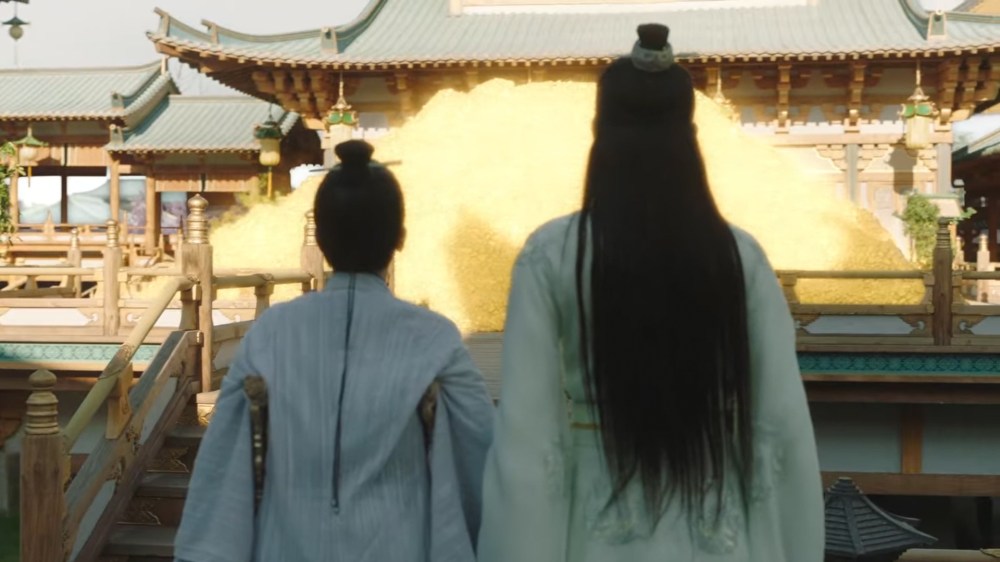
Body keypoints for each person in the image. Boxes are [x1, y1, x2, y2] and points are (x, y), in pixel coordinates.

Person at [477, 24, 823, 562]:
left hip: (598, 529)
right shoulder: (739, 258)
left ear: (600, 131)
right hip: (718, 527)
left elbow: (528, 437)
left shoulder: (552, 255)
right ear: (689, 133)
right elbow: (780, 428)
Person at [174, 140, 494, 562]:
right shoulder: (433, 338)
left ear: (321, 241)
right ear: (399, 238)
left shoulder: (272, 332)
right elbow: (481, 453)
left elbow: (222, 467)